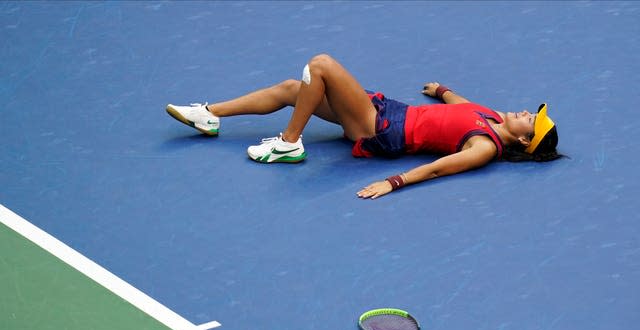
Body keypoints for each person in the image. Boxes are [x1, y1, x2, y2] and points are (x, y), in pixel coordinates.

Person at [166, 53, 562, 199]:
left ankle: (289, 143)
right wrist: (441, 89)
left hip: (383, 130)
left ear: (525, 140)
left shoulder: (486, 146)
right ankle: (209, 113)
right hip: (386, 109)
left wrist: (394, 182)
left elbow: (440, 167)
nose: (526, 111)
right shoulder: (490, 115)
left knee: (320, 66)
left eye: (532, 120)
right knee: (293, 88)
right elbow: (460, 104)